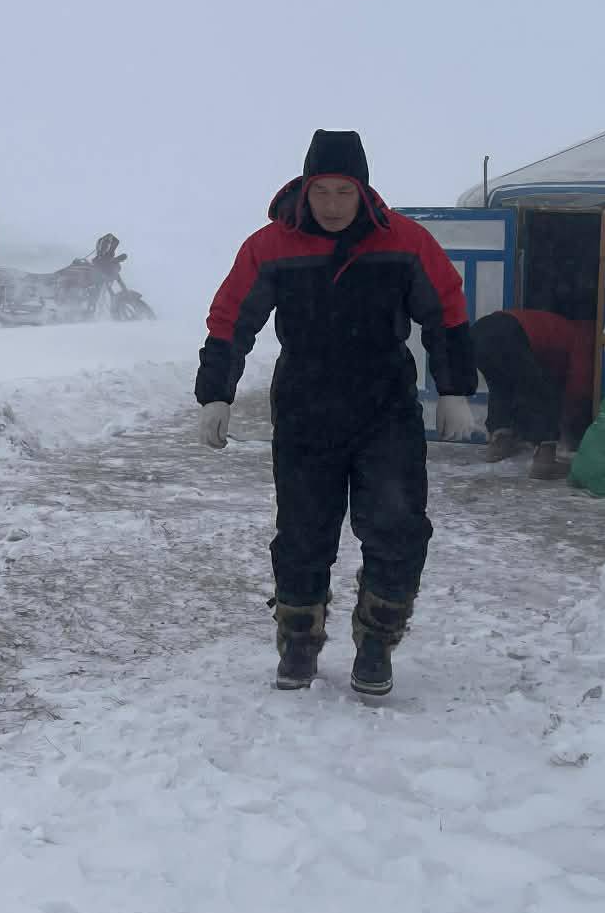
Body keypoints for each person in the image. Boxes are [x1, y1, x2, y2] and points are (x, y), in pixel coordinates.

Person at [196, 129, 477, 696]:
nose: (330, 205)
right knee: (303, 530)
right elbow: (232, 318)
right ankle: (298, 641)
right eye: (321, 191)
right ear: (304, 188)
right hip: (305, 403)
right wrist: (215, 394)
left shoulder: (405, 241)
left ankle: (377, 643)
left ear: (362, 190)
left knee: (397, 525)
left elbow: (446, 310)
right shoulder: (270, 245)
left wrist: (454, 389)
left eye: (342, 192)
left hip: (385, 404)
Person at [471, 308, 596, 479]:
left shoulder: (558, 327)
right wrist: (572, 416)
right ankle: (545, 459)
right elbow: (579, 383)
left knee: (500, 385)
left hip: (481, 330)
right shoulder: (581, 337)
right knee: (538, 390)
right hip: (509, 332)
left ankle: (500, 440)